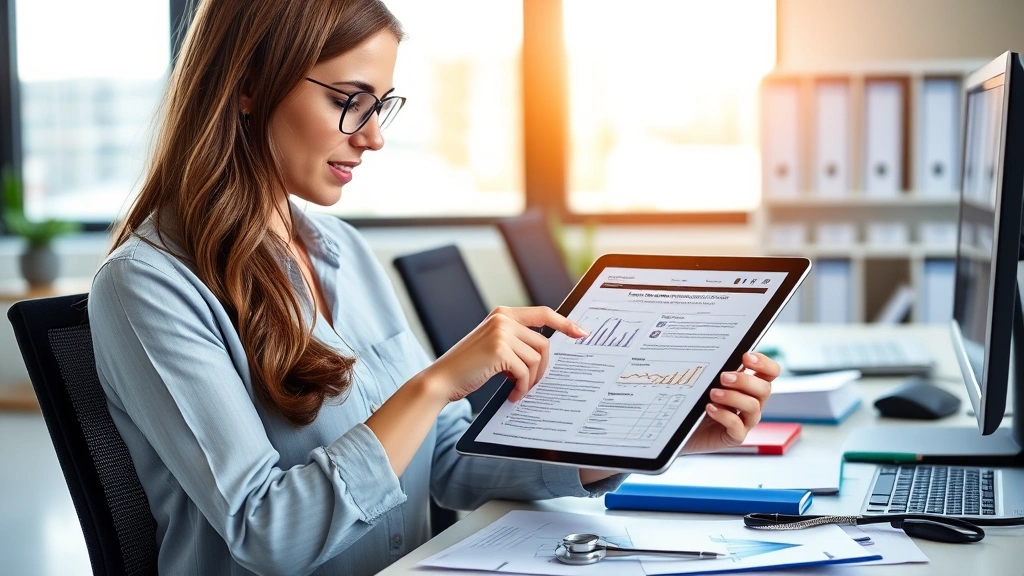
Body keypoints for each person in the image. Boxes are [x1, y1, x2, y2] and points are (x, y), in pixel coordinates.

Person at [87, 1, 780, 574]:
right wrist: (435, 383)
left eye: (380, 105)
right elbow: (270, 534)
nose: (374, 138)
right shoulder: (147, 285)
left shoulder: (343, 253)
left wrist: (652, 435)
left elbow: (447, 464)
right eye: (348, 101)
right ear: (247, 83)